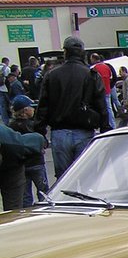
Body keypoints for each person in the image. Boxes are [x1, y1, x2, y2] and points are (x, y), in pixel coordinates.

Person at [33, 35, 108, 179]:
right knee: (87, 177)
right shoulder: (91, 75)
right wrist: (105, 129)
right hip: (84, 130)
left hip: (59, 132)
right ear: (82, 53)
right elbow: (101, 104)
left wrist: (39, 132)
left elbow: (43, 106)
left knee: (63, 180)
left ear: (65, 52)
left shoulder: (52, 75)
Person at [8, 95, 48, 206]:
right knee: (44, 191)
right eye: (32, 107)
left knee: (25, 195)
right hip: (37, 163)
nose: (34, 109)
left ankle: (27, 212)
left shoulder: (11, 126)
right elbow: (43, 141)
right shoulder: (34, 125)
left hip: (22, 165)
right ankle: (45, 209)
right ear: (25, 110)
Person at [88, 53, 116, 130]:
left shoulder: (93, 68)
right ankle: (112, 125)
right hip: (107, 90)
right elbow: (111, 77)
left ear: (93, 59)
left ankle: (100, 125)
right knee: (109, 108)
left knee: (99, 109)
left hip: (99, 92)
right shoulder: (106, 67)